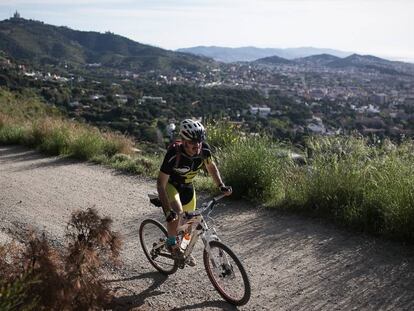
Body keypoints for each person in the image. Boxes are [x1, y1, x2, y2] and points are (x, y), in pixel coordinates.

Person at [157, 119, 232, 266]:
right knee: (178, 215)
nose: (196, 145)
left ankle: (183, 250)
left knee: (190, 224)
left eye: (199, 141)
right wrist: (167, 211)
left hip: (188, 187)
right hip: (172, 186)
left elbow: (211, 167)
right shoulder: (173, 153)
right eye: (192, 142)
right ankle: (172, 245)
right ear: (184, 140)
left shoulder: (204, 150)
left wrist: (221, 185)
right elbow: (160, 183)